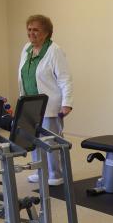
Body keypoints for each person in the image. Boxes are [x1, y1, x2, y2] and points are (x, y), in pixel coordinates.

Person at [18, 14, 73, 186]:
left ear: (46, 33)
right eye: (29, 29)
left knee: (51, 140)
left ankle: (56, 174)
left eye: (36, 30)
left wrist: (67, 103)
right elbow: (23, 75)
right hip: (30, 104)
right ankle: (40, 169)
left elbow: (65, 78)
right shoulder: (27, 48)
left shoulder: (54, 50)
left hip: (50, 104)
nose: (31, 33)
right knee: (34, 139)